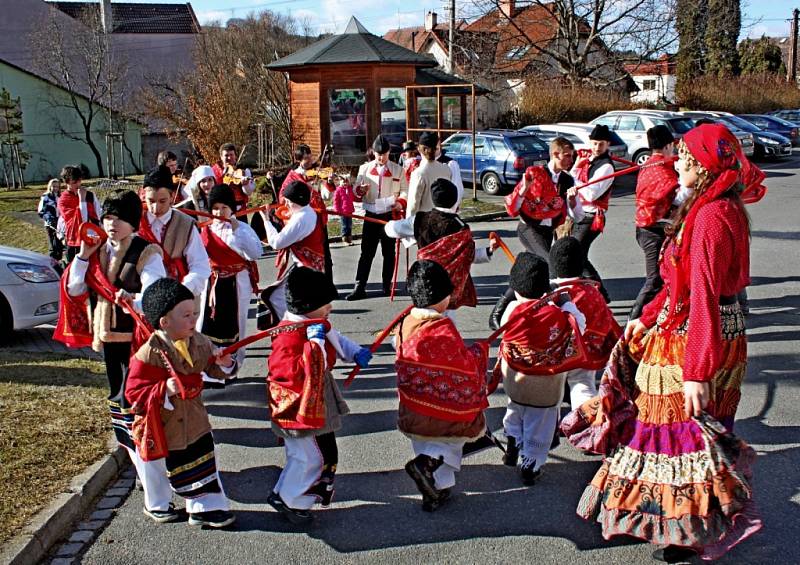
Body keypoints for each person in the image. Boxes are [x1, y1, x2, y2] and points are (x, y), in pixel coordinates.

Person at [579, 124, 759, 563]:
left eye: (682, 157)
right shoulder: (705, 208)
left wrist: (697, 370)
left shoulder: (713, 217)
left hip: (699, 336)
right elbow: (676, 283)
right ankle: (680, 520)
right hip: (694, 327)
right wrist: (645, 318)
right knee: (685, 432)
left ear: (700, 165)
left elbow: (703, 298)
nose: (674, 163)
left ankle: (683, 525)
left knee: (678, 432)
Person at [54, 189, 173, 523]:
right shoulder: (95, 251)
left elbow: (155, 292)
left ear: (132, 222)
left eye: (118, 218)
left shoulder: (146, 251)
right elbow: (75, 288)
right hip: (108, 341)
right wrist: (81, 254)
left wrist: (131, 299)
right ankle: (142, 466)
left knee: (138, 407)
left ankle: (152, 475)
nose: (111, 224)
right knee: (120, 406)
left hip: (137, 343)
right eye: (107, 217)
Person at [126, 277, 237, 528]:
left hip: (194, 416)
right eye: (186, 315)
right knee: (156, 466)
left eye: (195, 313)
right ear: (165, 322)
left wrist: (224, 363)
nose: (193, 320)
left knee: (204, 458)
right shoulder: (149, 353)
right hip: (160, 421)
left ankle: (204, 508)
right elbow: (134, 393)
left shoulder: (199, 341)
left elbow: (214, 368)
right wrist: (164, 388)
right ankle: (157, 504)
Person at [266, 266, 372, 525]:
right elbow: (291, 371)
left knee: (312, 453)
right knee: (308, 455)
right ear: (307, 304)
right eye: (325, 304)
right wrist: (314, 347)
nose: (329, 308)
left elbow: (336, 337)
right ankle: (291, 499)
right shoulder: (287, 335)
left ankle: (289, 495)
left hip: (317, 398)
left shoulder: (314, 323)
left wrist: (355, 351)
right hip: (298, 404)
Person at [395, 260, 490, 512]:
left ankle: (436, 489)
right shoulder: (442, 328)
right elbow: (462, 367)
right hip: (441, 412)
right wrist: (479, 352)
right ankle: (426, 465)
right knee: (451, 438)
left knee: (424, 442)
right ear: (442, 297)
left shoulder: (405, 323)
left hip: (414, 405)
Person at [496, 253, 585, 484]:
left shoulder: (512, 310)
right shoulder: (557, 315)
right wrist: (565, 301)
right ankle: (531, 462)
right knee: (540, 423)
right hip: (545, 386)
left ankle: (513, 439)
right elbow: (579, 326)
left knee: (515, 409)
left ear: (516, 288)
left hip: (515, 379)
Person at [385, 178, 496, 315]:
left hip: (425, 280)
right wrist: (489, 251)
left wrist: (388, 224)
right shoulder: (461, 227)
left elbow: (392, 230)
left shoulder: (420, 219)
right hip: (449, 286)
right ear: (455, 200)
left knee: (424, 317)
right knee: (446, 318)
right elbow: (468, 256)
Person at [197, 184, 262, 377]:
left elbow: (255, 253)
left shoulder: (243, 228)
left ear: (232, 208)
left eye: (224, 207)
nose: (219, 212)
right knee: (207, 323)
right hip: (213, 284)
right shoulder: (206, 230)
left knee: (237, 323)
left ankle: (233, 366)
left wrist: (237, 231)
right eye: (215, 208)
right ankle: (209, 368)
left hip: (237, 282)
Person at [549, 237, 621, 410]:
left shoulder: (551, 294)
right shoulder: (592, 292)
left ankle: (549, 427)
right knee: (583, 384)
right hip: (587, 351)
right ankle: (585, 421)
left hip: (557, 354)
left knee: (552, 391)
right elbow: (605, 320)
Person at [346, 135, 407, 301]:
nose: (381, 157)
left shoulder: (398, 170)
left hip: (388, 215)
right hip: (371, 215)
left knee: (389, 252)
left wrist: (400, 203)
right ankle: (360, 286)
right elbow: (356, 192)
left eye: (384, 154)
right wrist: (360, 190)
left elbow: (405, 191)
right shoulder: (364, 169)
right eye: (379, 154)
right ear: (373, 153)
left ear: (389, 153)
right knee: (366, 252)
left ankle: (387, 285)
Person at [630, 125, 679, 319]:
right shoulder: (661, 171)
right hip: (651, 230)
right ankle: (634, 319)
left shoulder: (649, 165)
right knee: (655, 278)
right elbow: (676, 194)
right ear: (668, 145)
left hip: (650, 227)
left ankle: (656, 314)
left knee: (664, 275)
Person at [139, 166, 211, 298]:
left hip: (178, 295)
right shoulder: (136, 222)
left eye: (162, 201)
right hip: (143, 296)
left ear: (172, 196)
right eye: (151, 201)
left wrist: (184, 288)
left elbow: (200, 265)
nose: (156, 208)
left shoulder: (185, 224)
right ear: (144, 195)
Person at [260, 180, 325, 319]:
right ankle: (293, 327)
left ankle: (290, 328)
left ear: (297, 200)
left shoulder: (301, 219)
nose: (286, 204)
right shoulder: (309, 212)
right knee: (281, 298)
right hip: (311, 266)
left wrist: (266, 221)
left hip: (306, 269)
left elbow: (276, 243)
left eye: (289, 201)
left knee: (276, 298)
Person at [570, 124, 615, 302]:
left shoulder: (606, 167)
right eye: (595, 143)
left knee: (576, 255)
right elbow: (571, 174)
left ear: (608, 144)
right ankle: (596, 293)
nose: (597, 147)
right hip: (580, 213)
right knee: (578, 256)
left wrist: (574, 184)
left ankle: (600, 293)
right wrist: (577, 166)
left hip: (592, 216)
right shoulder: (587, 159)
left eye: (601, 144)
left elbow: (590, 193)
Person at [57, 165, 99, 262]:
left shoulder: (90, 195)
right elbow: (81, 221)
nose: (78, 184)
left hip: (92, 238)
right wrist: (82, 200)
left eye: (79, 180)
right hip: (75, 241)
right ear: (67, 182)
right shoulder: (63, 200)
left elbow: (98, 214)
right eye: (74, 182)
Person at [406, 132, 451, 218]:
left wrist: (409, 223)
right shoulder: (446, 169)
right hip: (442, 219)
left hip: (424, 223)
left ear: (420, 149)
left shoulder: (419, 173)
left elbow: (413, 204)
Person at [212, 143, 255, 223]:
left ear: (235, 156)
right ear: (221, 157)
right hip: (221, 213)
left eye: (231, 155)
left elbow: (248, 192)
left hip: (239, 210)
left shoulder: (243, 171)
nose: (229, 158)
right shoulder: (214, 172)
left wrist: (245, 185)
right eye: (226, 155)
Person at [38, 178, 64, 263]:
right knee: (53, 245)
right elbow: (41, 212)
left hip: (60, 223)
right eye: (53, 186)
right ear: (50, 186)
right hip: (50, 224)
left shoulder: (61, 196)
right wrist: (49, 219)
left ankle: (59, 262)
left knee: (60, 244)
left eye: (57, 186)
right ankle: (51, 263)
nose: (55, 188)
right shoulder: (45, 197)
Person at [436, 140, 463, 210]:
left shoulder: (450, 164)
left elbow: (457, 188)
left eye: (435, 148)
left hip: (445, 209)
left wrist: (451, 209)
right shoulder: (423, 165)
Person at [332, 175, 355, 245]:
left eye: (346, 182)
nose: (345, 183)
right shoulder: (338, 190)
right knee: (344, 225)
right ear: (340, 182)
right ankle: (345, 239)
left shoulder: (350, 189)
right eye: (343, 182)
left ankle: (349, 239)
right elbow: (336, 201)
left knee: (349, 225)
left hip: (349, 210)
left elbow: (352, 198)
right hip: (343, 211)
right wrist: (337, 210)